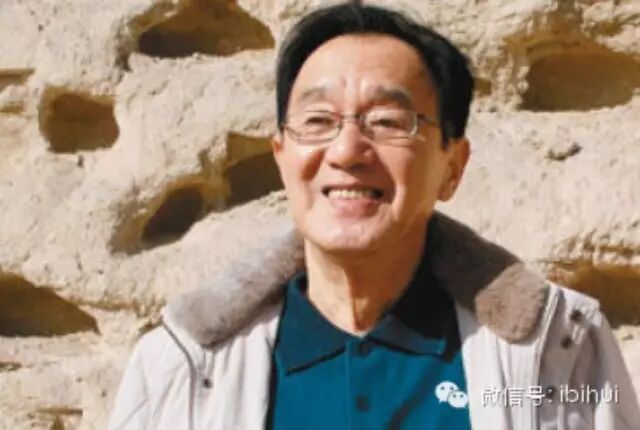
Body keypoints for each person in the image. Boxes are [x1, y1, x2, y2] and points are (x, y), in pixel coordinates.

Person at [108, 2, 640, 429]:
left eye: (387, 121)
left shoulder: (560, 349)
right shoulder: (179, 366)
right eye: (318, 120)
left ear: (452, 167)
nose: (347, 150)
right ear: (282, 158)